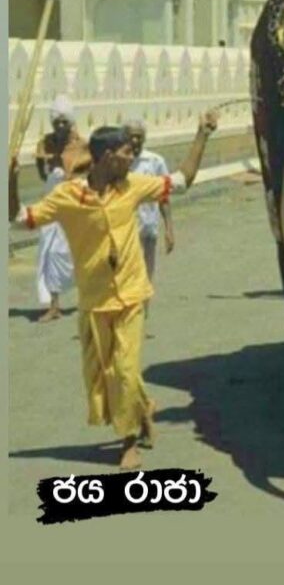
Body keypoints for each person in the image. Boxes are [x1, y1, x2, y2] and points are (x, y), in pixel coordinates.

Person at [10, 109, 219, 471]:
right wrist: (10, 180)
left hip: (133, 295)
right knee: (108, 376)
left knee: (124, 370)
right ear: (107, 157)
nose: (132, 158)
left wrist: (202, 133)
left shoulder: (134, 185)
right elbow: (20, 220)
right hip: (95, 302)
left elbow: (182, 181)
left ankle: (128, 443)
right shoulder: (68, 195)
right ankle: (144, 408)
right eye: (126, 153)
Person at [34, 98, 86, 322]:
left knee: (72, 253)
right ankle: (54, 304)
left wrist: (70, 178)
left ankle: (88, 296)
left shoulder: (82, 145)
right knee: (49, 251)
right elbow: (41, 170)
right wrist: (52, 177)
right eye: (57, 122)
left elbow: (89, 173)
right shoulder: (45, 143)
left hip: (73, 203)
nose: (60, 126)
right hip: (51, 202)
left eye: (64, 121)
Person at [124, 118, 174, 307]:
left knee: (146, 273)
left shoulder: (155, 161)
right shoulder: (119, 162)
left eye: (138, 136)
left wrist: (169, 229)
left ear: (144, 138)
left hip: (148, 228)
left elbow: (164, 197)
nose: (135, 140)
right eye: (131, 136)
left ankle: (142, 310)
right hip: (126, 230)